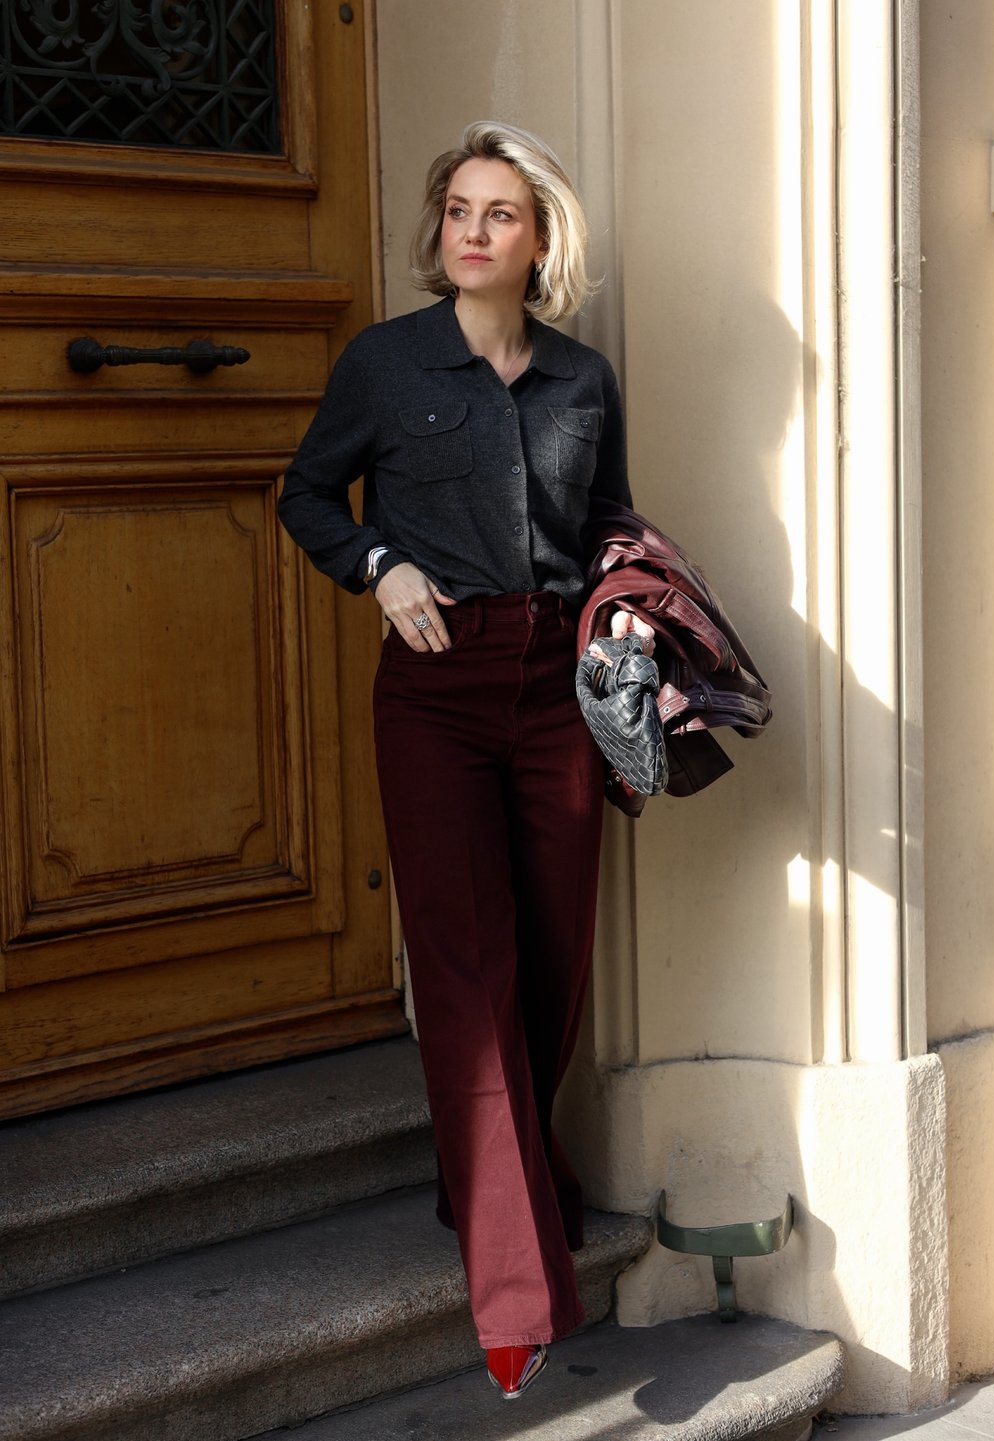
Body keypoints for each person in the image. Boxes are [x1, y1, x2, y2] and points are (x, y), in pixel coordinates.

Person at [278, 119, 651, 1401]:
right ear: (438, 231)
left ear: (540, 240)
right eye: (458, 210)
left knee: (549, 960)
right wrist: (376, 565)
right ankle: (513, 1291)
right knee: (462, 964)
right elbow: (307, 494)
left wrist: (628, 615)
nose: (474, 231)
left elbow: (607, 521)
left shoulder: (582, 379)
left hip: (555, 691)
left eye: (501, 213)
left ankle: (489, 1177)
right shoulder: (384, 364)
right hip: (435, 693)